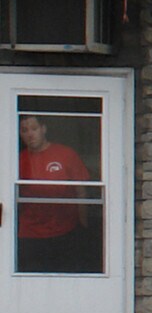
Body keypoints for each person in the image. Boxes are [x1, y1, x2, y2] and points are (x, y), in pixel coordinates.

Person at [16, 114, 94, 274]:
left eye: (34, 128)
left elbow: (81, 190)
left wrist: (84, 225)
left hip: (66, 231)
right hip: (31, 234)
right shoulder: (17, 160)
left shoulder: (66, 154)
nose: (30, 134)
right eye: (24, 130)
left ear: (44, 129)